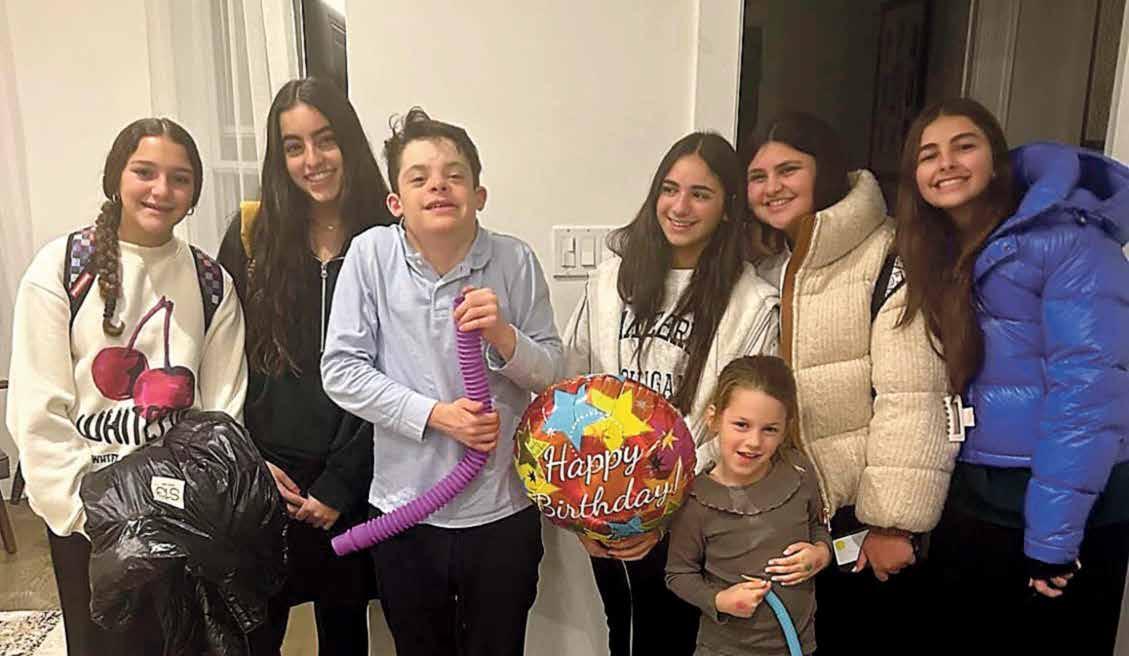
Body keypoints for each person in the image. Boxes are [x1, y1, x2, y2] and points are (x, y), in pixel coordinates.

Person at [319, 107, 562, 656]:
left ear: (479, 194)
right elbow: (341, 370)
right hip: (405, 509)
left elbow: (552, 372)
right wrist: (436, 416)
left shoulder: (515, 260)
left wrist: (503, 337)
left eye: (454, 175)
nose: (438, 186)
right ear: (396, 202)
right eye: (419, 177)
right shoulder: (371, 255)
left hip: (502, 508)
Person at [894, 97, 1129, 655]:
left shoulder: (1072, 240)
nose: (946, 164)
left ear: (996, 159)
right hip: (980, 494)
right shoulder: (937, 249)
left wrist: (1053, 540)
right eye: (929, 154)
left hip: (1067, 508)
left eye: (964, 146)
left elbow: (1089, 396)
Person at [6, 118, 247, 655]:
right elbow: (37, 412)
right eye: (145, 172)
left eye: (179, 178)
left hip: (182, 522)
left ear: (194, 194)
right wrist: (86, 516)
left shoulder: (212, 284)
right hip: (89, 525)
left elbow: (223, 416)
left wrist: (190, 509)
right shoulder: (60, 269)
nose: (161, 190)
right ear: (116, 176)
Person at [741, 111, 955, 652]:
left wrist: (893, 524)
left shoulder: (888, 254)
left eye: (789, 170)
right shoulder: (765, 265)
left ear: (825, 170)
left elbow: (914, 397)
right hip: (791, 516)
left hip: (861, 519)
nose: (772, 187)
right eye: (758, 176)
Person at [563, 131, 780, 656]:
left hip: (692, 513)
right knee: (623, 627)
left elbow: (741, 423)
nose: (680, 207)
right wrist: (582, 509)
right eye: (669, 189)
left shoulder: (753, 302)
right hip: (607, 502)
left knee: (672, 638)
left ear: (727, 208)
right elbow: (572, 390)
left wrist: (658, 509)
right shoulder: (609, 282)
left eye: (700, 194)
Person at [217, 77, 390, 654]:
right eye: (294, 146)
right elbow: (222, 364)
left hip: (354, 481)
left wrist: (341, 483)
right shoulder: (250, 236)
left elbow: (403, 373)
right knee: (253, 635)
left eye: (325, 139)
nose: (312, 160)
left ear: (349, 142)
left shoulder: (390, 239)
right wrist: (251, 463)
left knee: (346, 634)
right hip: (267, 480)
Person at [667, 355, 831, 655]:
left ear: (786, 429)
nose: (754, 441)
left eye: (770, 429)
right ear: (714, 419)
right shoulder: (696, 500)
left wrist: (820, 554)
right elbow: (678, 574)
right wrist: (720, 600)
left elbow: (818, 527)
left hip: (799, 646)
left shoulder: (799, 471)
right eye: (741, 425)